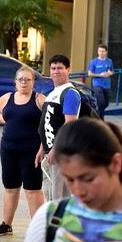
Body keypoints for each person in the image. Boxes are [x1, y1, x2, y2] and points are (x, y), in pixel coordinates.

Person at [0, 66, 46, 237]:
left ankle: (38, 229)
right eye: (20, 79)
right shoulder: (8, 97)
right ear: (15, 82)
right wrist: (5, 121)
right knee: (10, 187)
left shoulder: (40, 99)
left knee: (32, 189)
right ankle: (6, 225)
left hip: (32, 151)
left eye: (27, 79)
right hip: (8, 148)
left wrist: (44, 147)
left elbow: (50, 122)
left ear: (33, 82)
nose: (24, 82)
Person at [35, 54, 81, 200]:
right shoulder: (53, 93)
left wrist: (55, 149)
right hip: (50, 153)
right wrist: (42, 149)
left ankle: (61, 223)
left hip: (61, 153)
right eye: (53, 68)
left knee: (58, 196)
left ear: (68, 70)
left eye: (60, 68)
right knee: (50, 193)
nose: (56, 71)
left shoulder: (70, 93)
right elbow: (48, 123)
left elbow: (70, 124)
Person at [88, 44, 114, 118]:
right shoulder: (94, 62)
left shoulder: (109, 61)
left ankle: (96, 112)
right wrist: (100, 75)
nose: (101, 53)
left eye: (103, 51)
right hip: (97, 84)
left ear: (106, 52)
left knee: (106, 104)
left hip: (107, 85)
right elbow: (90, 74)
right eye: (99, 51)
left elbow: (112, 71)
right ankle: (101, 119)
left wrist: (109, 73)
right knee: (101, 102)